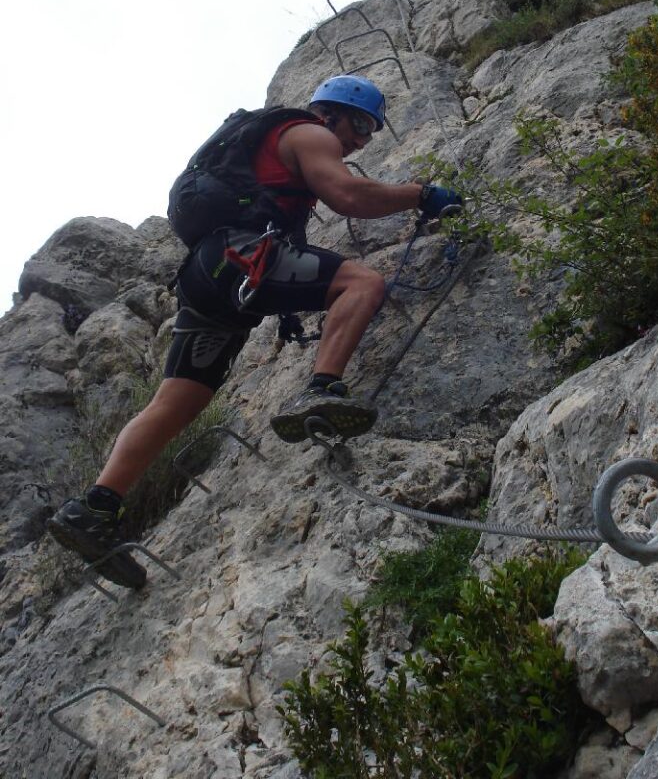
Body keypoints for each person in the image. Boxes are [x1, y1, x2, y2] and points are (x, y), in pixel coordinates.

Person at [48, 75, 461, 588]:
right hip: (242, 258)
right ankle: (322, 388)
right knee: (363, 282)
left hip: (207, 275)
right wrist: (422, 195)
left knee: (177, 401)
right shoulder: (311, 133)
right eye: (358, 124)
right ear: (330, 113)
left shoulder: (263, 147)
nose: (360, 139)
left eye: (370, 131)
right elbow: (349, 195)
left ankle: (94, 508)